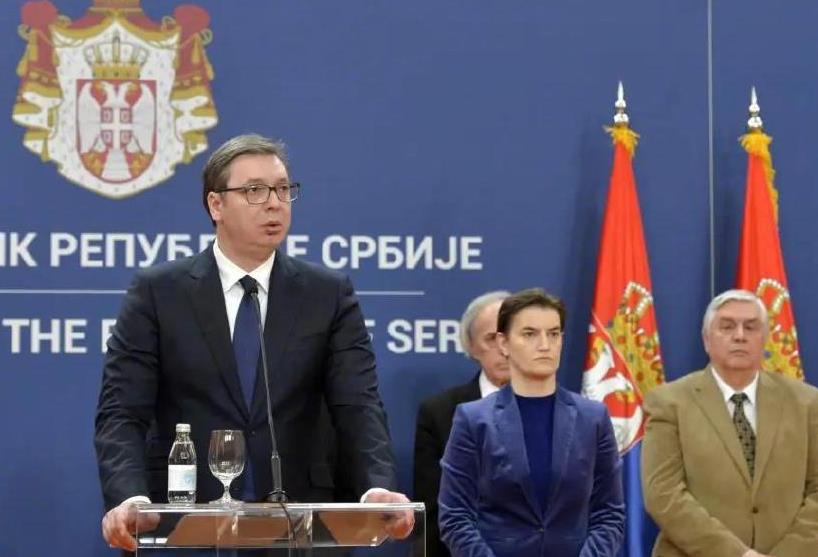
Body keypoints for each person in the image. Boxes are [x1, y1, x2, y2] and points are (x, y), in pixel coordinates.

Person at [94, 134, 412, 552]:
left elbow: (359, 405)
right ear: (216, 205)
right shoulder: (159, 293)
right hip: (186, 523)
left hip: (298, 525)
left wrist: (375, 488)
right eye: (255, 191)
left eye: (283, 189)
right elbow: (121, 411)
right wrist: (130, 498)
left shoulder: (327, 294)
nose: (275, 203)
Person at [438, 288, 625, 557]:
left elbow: (609, 513)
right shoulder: (474, 419)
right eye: (529, 334)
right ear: (503, 343)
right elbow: (455, 516)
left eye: (554, 334)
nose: (545, 345)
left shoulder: (593, 418)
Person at [641, 289, 818, 557]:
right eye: (727, 327)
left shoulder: (807, 402)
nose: (740, 335)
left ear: (764, 339)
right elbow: (663, 495)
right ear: (706, 340)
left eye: (751, 327)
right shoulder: (669, 402)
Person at [414, 290, 511, 557]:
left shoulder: (562, 410)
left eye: (510, 335)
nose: (504, 349)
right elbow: (433, 513)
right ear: (471, 347)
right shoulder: (440, 413)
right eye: (491, 338)